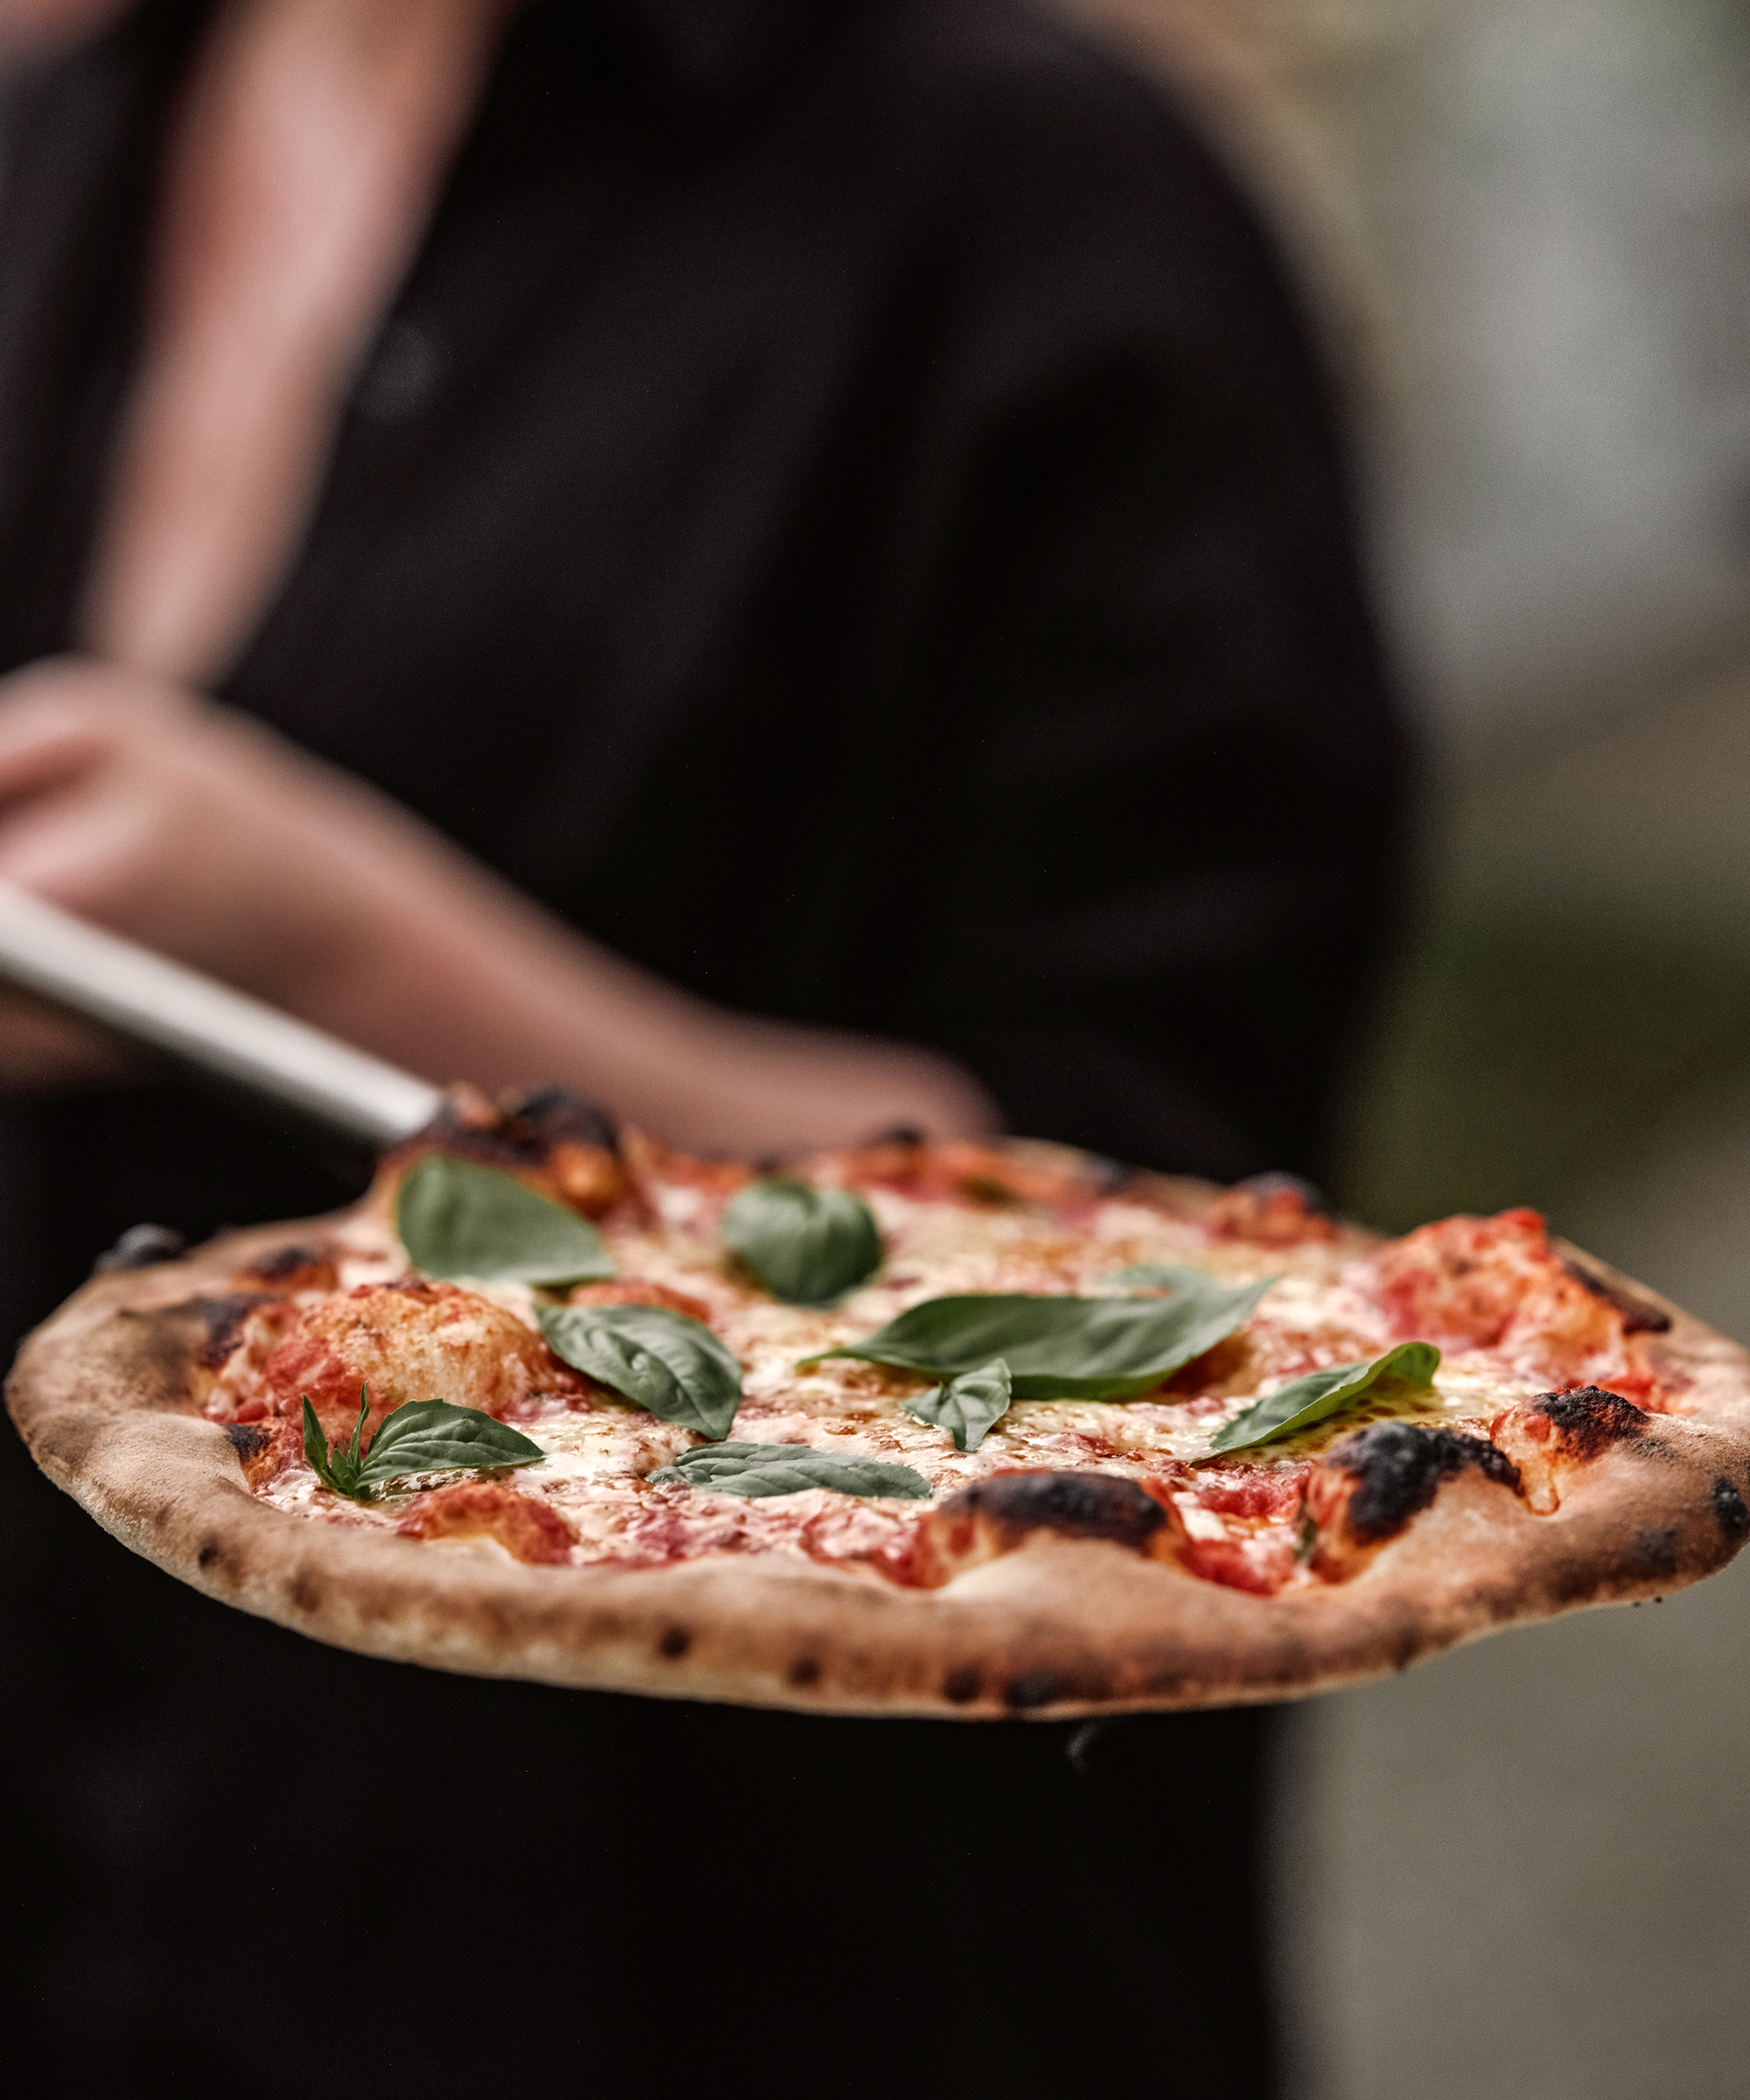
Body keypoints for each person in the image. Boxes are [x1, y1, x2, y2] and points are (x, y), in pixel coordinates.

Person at [0, 2, 1404, 2093]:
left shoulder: (1030, 195)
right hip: (110, 1867)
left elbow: (1192, 1283)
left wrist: (343, 948)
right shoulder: (65, 132)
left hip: (744, 1931)